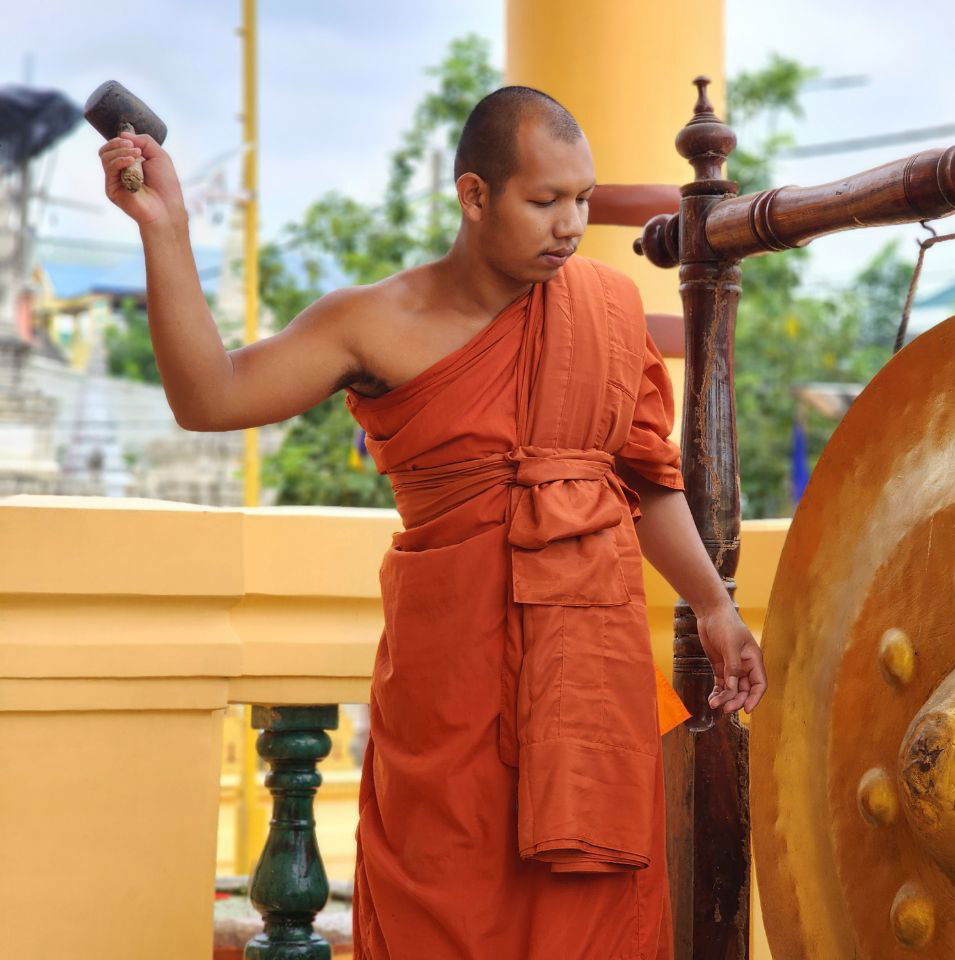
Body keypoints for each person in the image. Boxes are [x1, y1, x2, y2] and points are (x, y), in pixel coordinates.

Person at [100, 83, 767, 959]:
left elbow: (643, 481)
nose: (570, 224)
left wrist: (713, 605)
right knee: (438, 916)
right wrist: (167, 230)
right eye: (544, 201)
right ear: (474, 195)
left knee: (593, 922)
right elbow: (209, 396)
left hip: (584, 699)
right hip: (448, 702)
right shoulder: (375, 322)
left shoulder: (601, 312)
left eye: (581, 199)